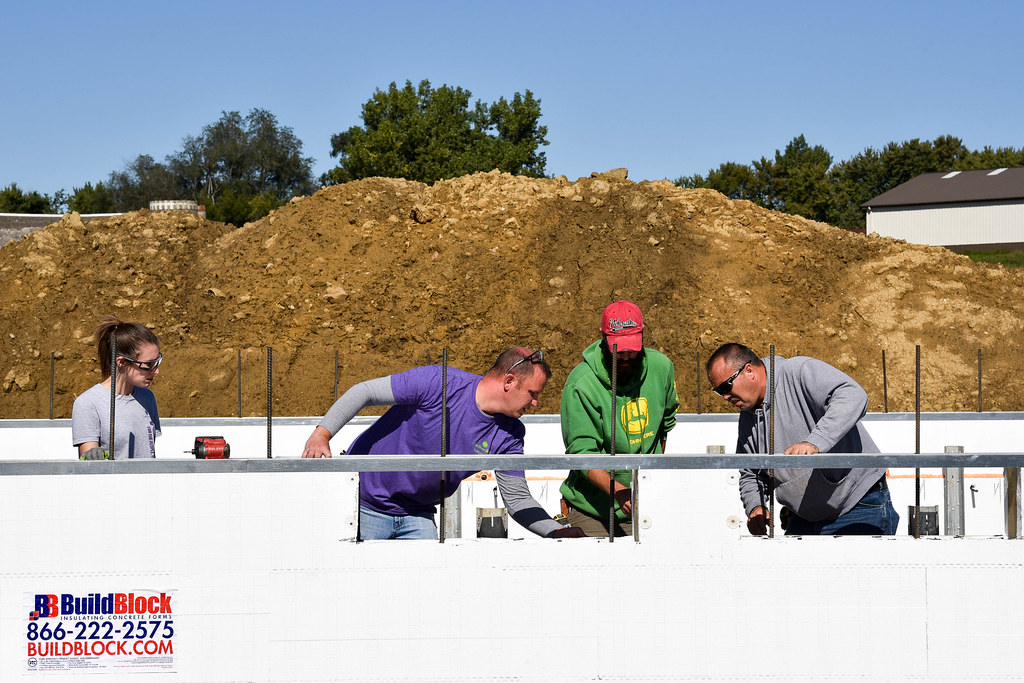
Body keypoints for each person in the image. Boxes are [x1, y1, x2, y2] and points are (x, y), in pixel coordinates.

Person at [302, 347, 584, 539]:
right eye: (533, 394)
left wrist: (554, 531)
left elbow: (517, 498)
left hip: (418, 515)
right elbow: (365, 392)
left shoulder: (509, 435)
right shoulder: (439, 382)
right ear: (509, 381)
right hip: (364, 506)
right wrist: (321, 434)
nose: (536, 403)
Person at [706, 343, 898, 536]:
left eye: (726, 386)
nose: (724, 396)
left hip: (859, 506)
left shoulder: (798, 371)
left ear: (748, 371)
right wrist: (755, 505)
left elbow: (852, 395)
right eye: (718, 391)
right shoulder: (749, 417)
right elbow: (750, 471)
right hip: (804, 517)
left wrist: (815, 442)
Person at [559, 301, 679, 536]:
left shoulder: (661, 368)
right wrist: (617, 490)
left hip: (647, 505)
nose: (625, 356)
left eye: (632, 349)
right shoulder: (581, 384)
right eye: (618, 349)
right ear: (602, 338)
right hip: (593, 509)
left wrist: (650, 482)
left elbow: (664, 428)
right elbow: (582, 455)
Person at [72, 315, 163, 460]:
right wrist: (92, 456)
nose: (156, 370)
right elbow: (89, 465)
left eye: (157, 361)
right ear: (121, 362)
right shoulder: (88, 403)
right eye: (148, 364)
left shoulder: (147, 397)